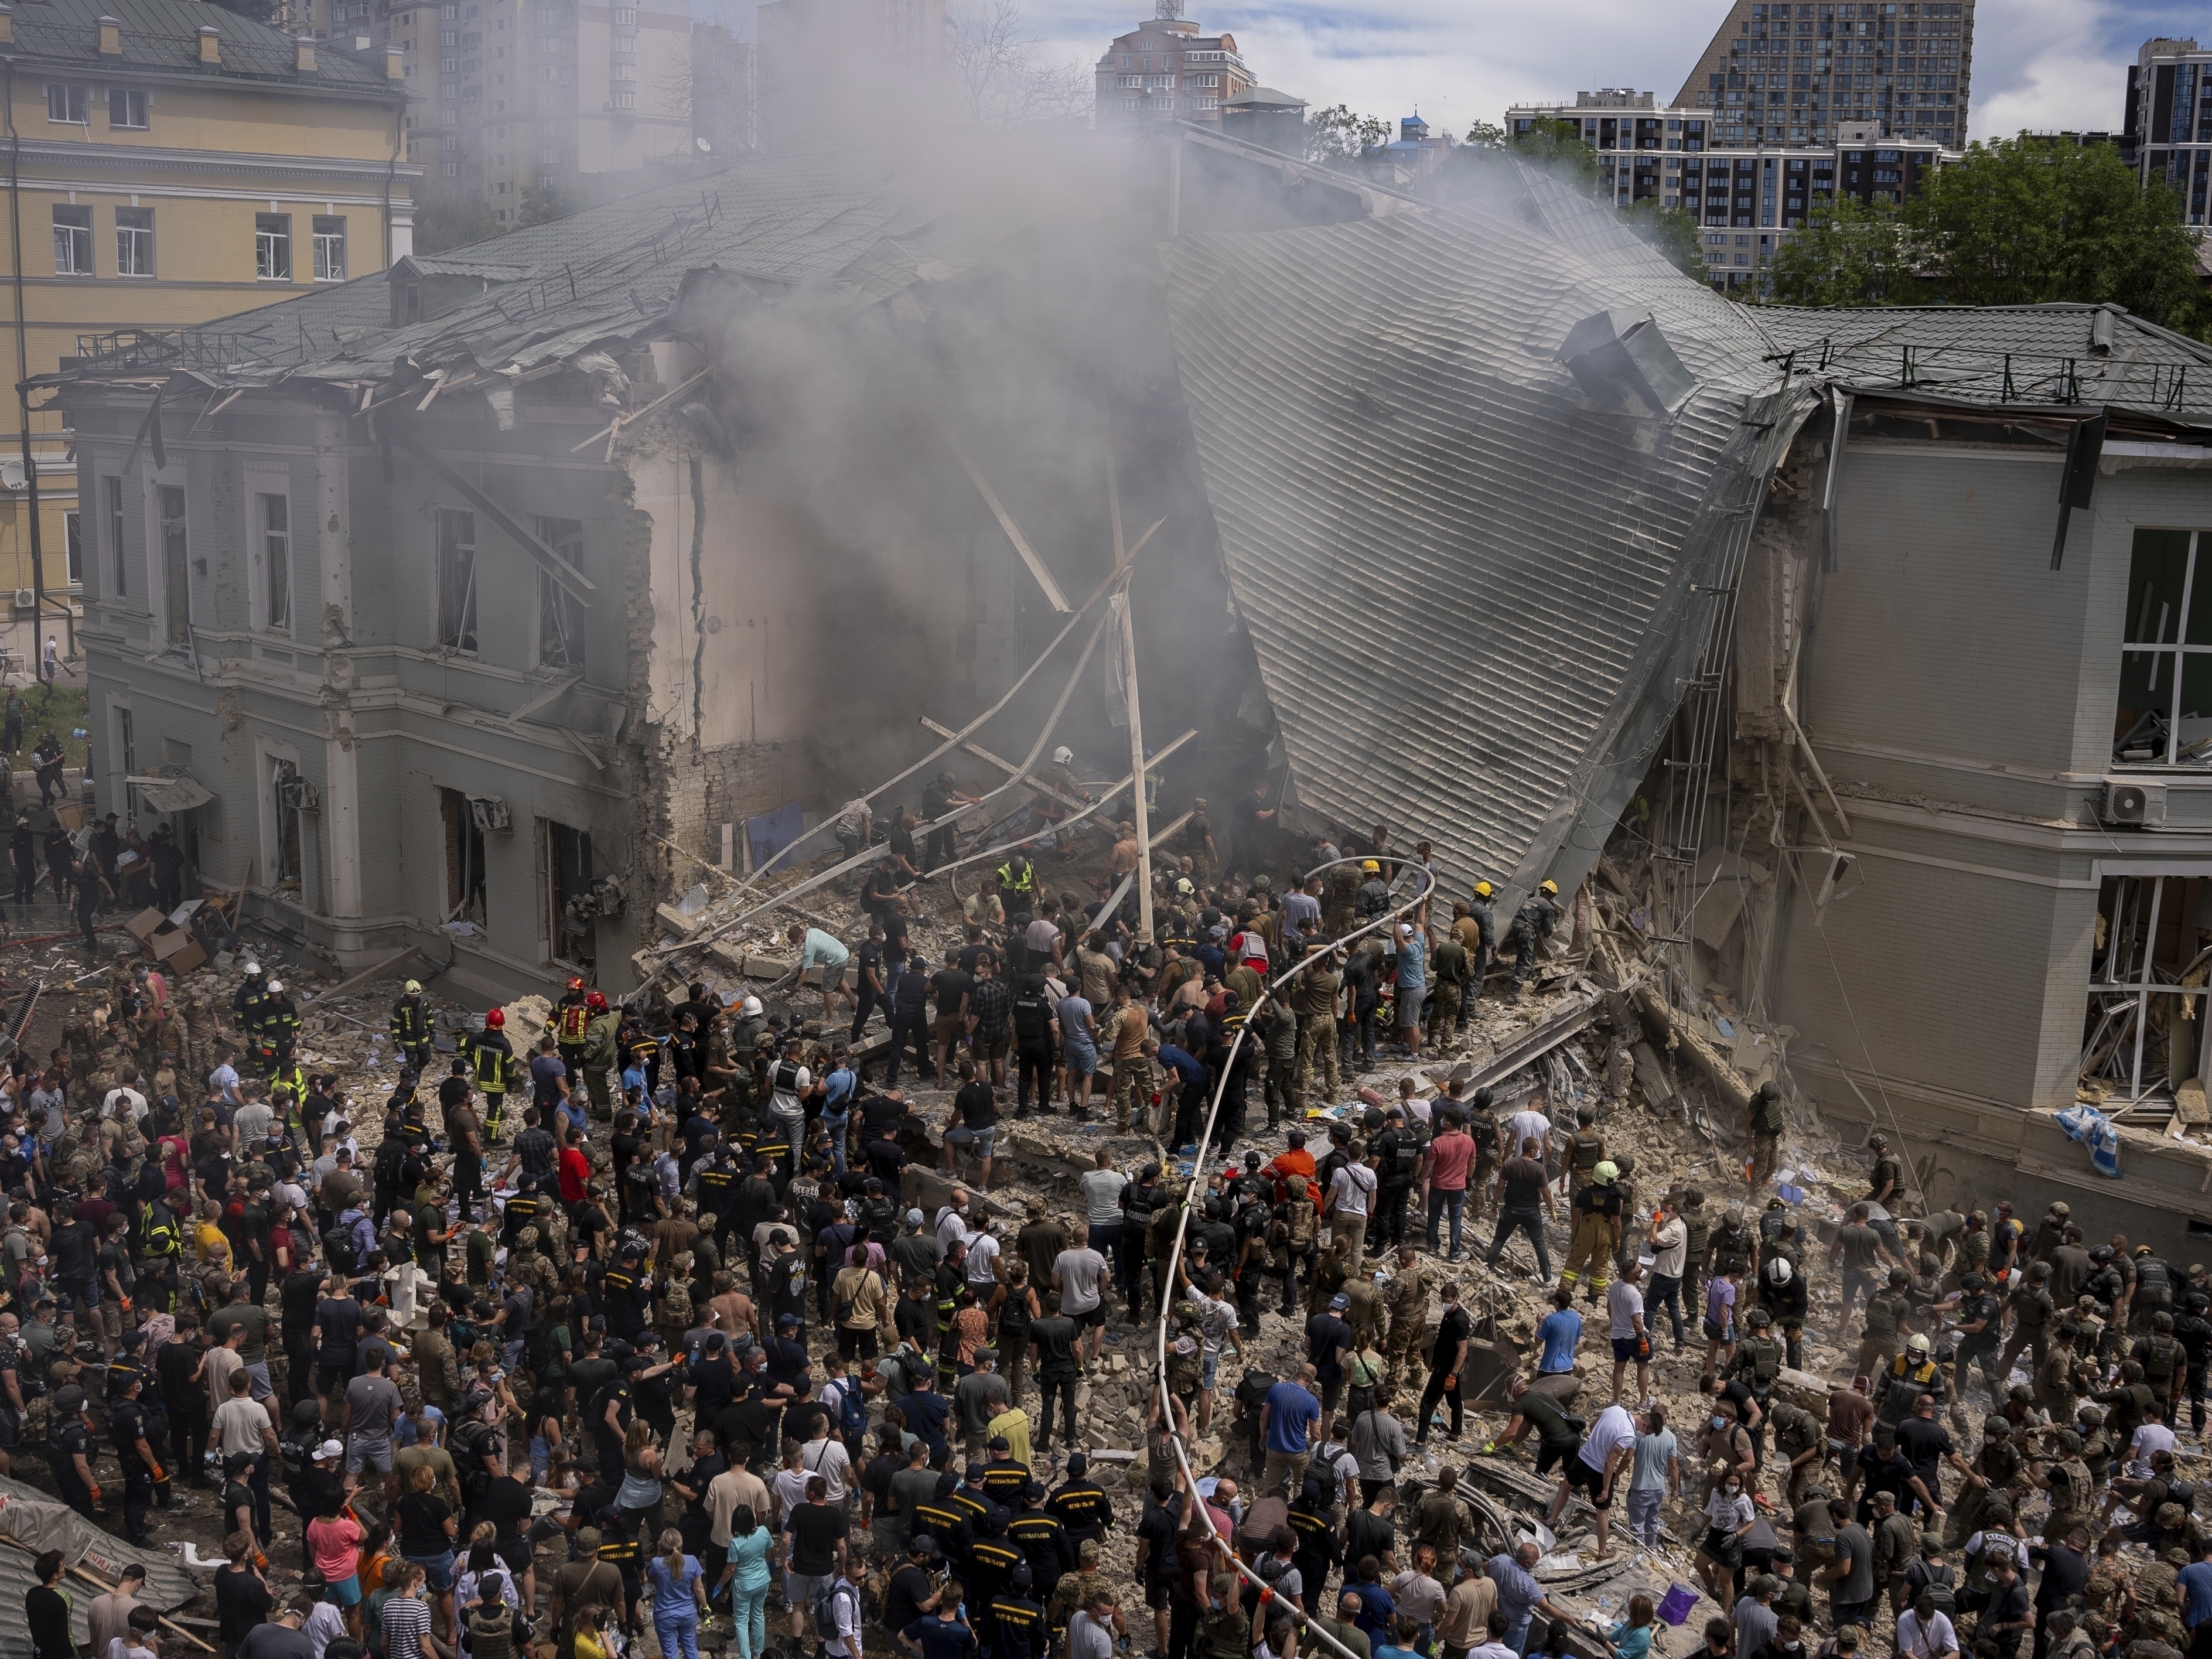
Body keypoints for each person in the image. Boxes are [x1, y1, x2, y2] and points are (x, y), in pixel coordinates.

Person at [647, 1529, 707, 1659]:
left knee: (670, 1654)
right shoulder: (692, 1561)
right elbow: (699, 1589)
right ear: (681, 1544)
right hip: (688, 1613)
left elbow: (650, 1575)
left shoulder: (656, 1563)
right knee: (691, 1650)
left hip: (664, 1615)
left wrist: (659, 1552)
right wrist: (705, 1606)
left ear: (662, 1545)